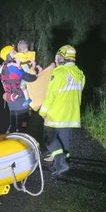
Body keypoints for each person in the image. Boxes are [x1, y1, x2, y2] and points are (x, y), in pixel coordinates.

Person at [39, 45, 85, 176]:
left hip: (56, 114)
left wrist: (43, 111)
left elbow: (50, 96)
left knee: (49, 139)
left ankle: (60, 163)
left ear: (62, 57)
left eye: (58, 56)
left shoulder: (58, 74)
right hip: (72, 115)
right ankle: (60, 166)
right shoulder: (81, 75)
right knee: (64, 141)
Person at [0, 44, 39, 133]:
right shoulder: (13, 67)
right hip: (20, 99)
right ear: (9, 55)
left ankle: (9, 140)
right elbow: (30, 78)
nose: (16, 52)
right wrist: (33, 66)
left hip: (10, 100)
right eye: (14, 52)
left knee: (13, 124)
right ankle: (20, 142)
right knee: (22, 126)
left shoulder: (2, 67)